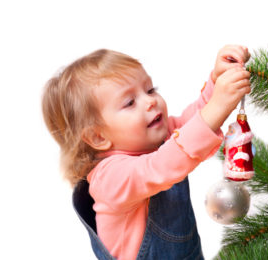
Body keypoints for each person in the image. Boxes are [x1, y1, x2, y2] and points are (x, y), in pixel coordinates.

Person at [42, 45, 251, 260]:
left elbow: (190, 126)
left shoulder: (155, 139)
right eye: (130, 102)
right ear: (98, 137)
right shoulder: (110, 178)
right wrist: (219, 106)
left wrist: (217, 82)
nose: (151, 101)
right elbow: (162, 165)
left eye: (150, 90)